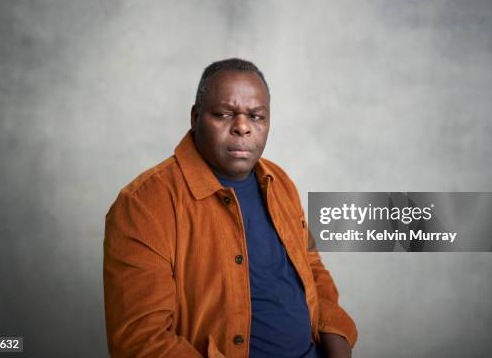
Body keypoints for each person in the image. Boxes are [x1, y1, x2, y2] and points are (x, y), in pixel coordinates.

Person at [103, 58, 357, 357]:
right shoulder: (143, 206)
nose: (242, 127)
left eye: (256, 116)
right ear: (195, 117)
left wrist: (336, 340)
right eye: (224, 114)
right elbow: (140, 342)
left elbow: (311, 267)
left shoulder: (279, 181)